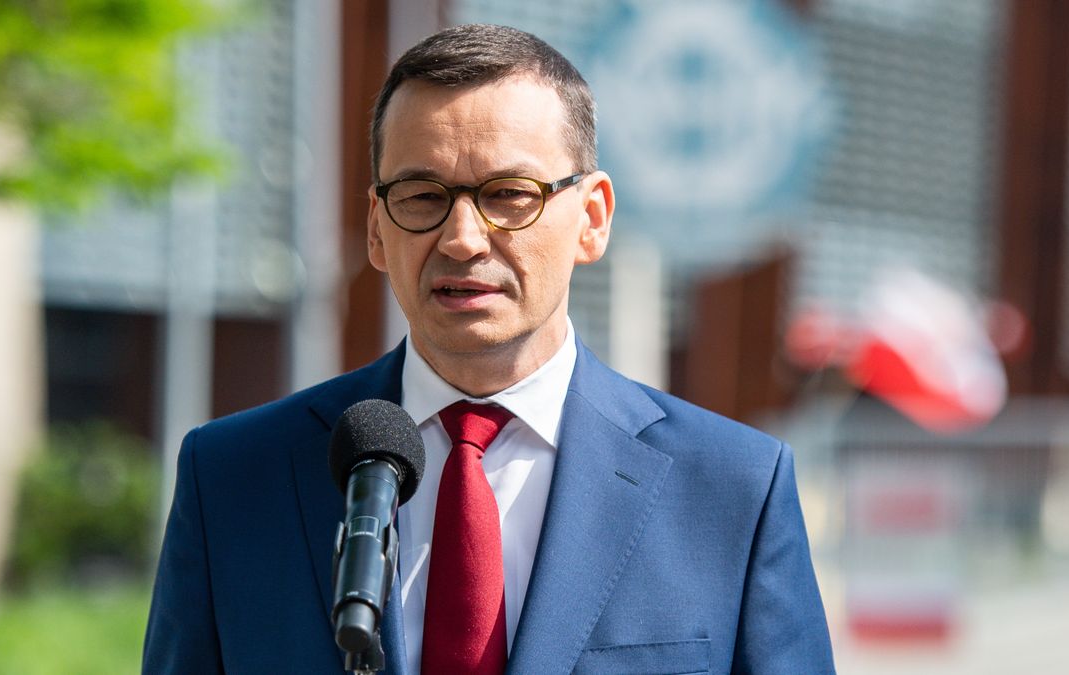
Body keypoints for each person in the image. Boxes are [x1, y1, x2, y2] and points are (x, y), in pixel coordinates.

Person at [143, 23, 834, 674]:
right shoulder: (232, 478)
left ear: (591, 219)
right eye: (422, 194)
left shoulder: (733, 490)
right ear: (377, 229)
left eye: (509, 194)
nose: (463, 238)